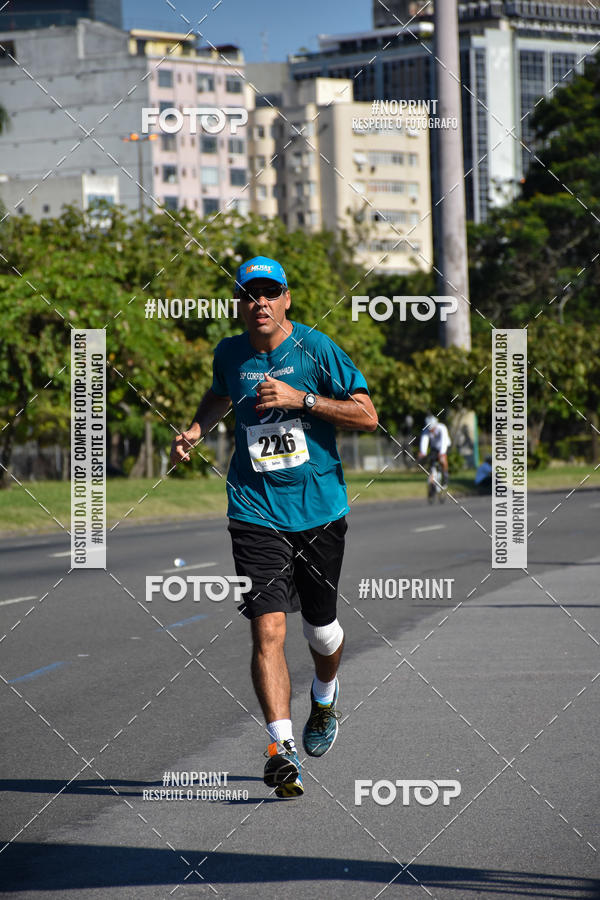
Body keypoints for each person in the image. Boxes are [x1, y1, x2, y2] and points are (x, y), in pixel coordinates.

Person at [170, 256, 378, 799]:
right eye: (248, 294)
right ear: (238, 302)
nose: (258, 302)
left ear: (287, 298)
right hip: (253, 508)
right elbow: (221, 391)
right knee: (267, 628)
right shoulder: (230, 353)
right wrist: (196, 428)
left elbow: (367, 415)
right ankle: (281, 750)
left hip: (318, 509)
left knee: (322, 631)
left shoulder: (316, 349)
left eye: (269, 292)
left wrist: (301, 399)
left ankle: (326, 695)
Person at [417, 414, 451, 488]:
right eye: (429, 429)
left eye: (432, 428)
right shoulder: (426, 430)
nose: (431, 430)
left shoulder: (442, 428)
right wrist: (423, 453)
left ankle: (445, 475)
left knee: (442, 460)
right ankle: (432, 483)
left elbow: (444, 441)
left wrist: (442, 453)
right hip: (434, 448)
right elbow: (424, 441)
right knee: (431, 462)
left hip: (445, 446)